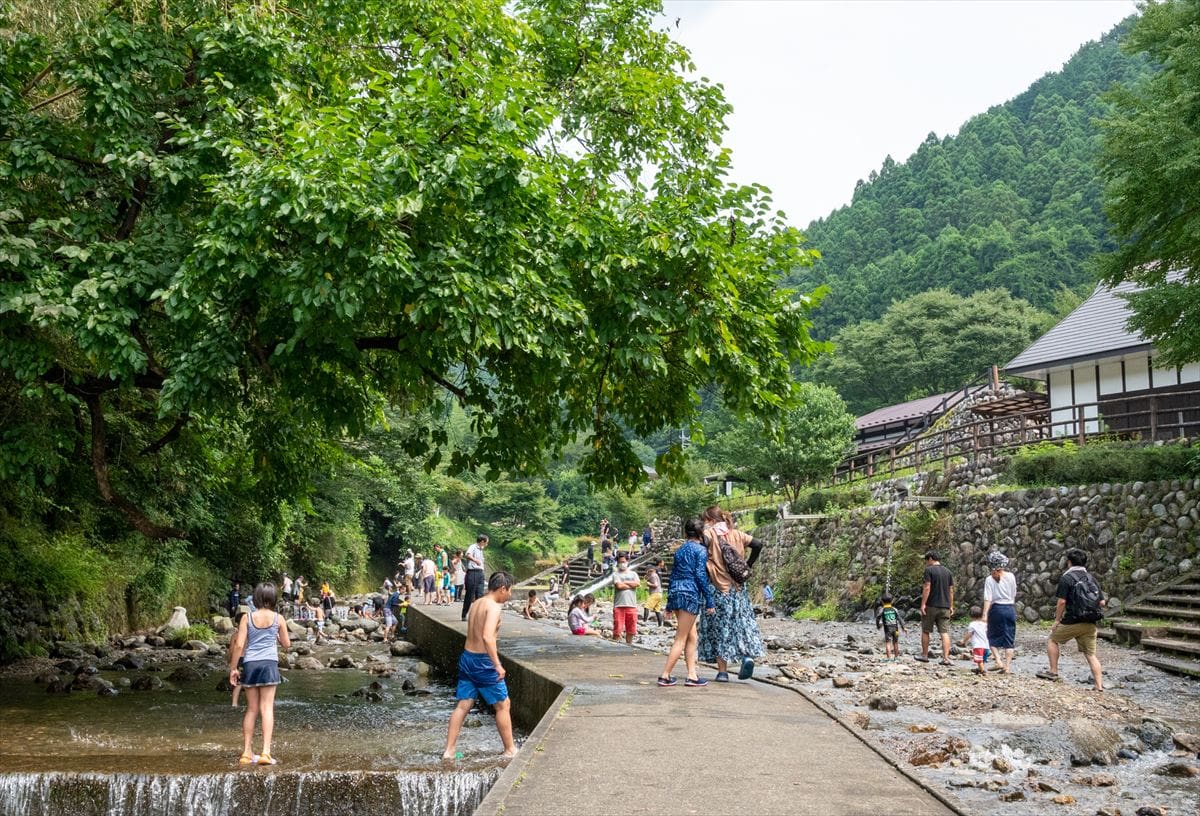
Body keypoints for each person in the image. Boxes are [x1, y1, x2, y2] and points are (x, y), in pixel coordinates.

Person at [442, 571, 518, 760]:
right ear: (502, 588)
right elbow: (487, 637)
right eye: (509, 591)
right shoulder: (493, 607)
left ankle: (449, 751)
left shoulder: (476, 603)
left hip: (467, 657)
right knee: (503, 704)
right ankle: (510, 749)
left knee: (463, 705)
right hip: (483, 662)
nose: (509, 595)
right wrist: (497, 665)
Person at [697, 506, 766, 682]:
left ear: (710, 520)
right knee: (741, 625)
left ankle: (722, 672)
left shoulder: (709, 534)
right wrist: (748, 563)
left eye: (705, 520)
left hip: (718, 589)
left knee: (720, 629)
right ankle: (746, 657)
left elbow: (699, 552)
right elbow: (758, 544)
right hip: (738, 589)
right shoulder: (736, 534)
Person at [229, 582, 290, 765]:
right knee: (267, 709)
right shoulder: (278, 619)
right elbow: (287, 645)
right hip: (269, 664)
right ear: (273, 599)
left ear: (256, 598)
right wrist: (278, 637)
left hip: (250, 664)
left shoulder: (247, 618)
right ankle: (265, 753)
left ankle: (247, 753)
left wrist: (233, 668)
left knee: (252, 709)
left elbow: (239, 645)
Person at [657, 518, 715, 687]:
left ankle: (692, 675)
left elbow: (673, 575)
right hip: (690, 594)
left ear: (685, 532)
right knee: (681, 638)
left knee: (692, 635)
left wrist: (669, 603)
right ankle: (665, 675)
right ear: (700, 533)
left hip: (676, 591)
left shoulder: (680, 550)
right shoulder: (701, 550)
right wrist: (709, 600)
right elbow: (700, 576)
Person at [1039, 548, 1106, 691]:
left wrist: (1057, 620)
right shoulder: (1091, 578)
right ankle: (1099, 686)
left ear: (1069, 562)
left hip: (1072, 620)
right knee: (1091, 655)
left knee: (1052, 639)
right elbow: (1102, 603)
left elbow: (1062, 602)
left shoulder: (1067, 578)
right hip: (1090, 622)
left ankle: (1053, 671)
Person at [915, 551, 954, 666]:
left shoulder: (929, 570)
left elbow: (927, 587)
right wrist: (951, 605)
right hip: (945, 606)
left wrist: (923, 604)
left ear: (931, 558)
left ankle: (925, 655)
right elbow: (951, 590)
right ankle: (946, 658)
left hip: (931, 605)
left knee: (926, 630)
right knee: (944, 632)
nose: (926, 563)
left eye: (926, 560)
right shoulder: (948, 572)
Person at [982, 551, 1018, 673]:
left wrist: (985, 614)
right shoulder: (1011, 576)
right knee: (1009, 638)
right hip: (1010, 608)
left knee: (991, 636)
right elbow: (1013, 593)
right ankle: (1007, 667)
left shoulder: (989, 579)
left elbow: (988, 598)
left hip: (996, 609)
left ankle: (998, 661)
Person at [611, 553, 640, 645]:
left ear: (627, 561)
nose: (622, 564)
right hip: (619, 605)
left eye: (623, 562)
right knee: (617, 628)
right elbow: (619, 586)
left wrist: (625, 582)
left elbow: (637, 584)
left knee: (631, 629)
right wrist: (631, 585)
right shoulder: (615, 574)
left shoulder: (633, 574)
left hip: (632, 605)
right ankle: (615, 647)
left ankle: (629, 645)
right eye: (620, 562)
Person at [461, 535, 488, 621]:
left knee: (480, 595)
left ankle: (478, 616)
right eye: (486, 542)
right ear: (482, 541)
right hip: (472, 573)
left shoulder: (481, 550)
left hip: (480, 573)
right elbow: (467, 555)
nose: (487, 544)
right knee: (470, 595)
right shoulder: (473, 547)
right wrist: (475, 560)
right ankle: (464, 614)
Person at [874, 593, 906, 660]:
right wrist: (904, 627)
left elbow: (877, 618)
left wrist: (878, 626)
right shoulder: (894, 609)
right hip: (895, 629)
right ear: (892, 601)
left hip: (888, 629)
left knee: (888, 642)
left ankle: (888, 658)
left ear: (882, 602)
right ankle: (896, 657)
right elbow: (900, 619)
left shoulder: (882, 610)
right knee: (896, 642)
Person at [959, 606, 989, 676]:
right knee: (983, 659)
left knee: (979, 660)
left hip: (978, 645)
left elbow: (969, 634)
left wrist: (963, 640)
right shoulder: (985, 624)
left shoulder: (972, 624)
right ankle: (980, 669)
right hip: (986, 645)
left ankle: (982, 671)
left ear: (971, 616)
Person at [643, 558, 666, 627]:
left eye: (647, 570)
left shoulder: (653, 575)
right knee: (657, 610)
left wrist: (648, 584)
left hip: (655, 593)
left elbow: (655, 585)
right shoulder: (655, 575)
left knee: (646, 606)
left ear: (650, 570)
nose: (646, 572)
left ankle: (644, 622)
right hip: (659, 594)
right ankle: (660, 625)